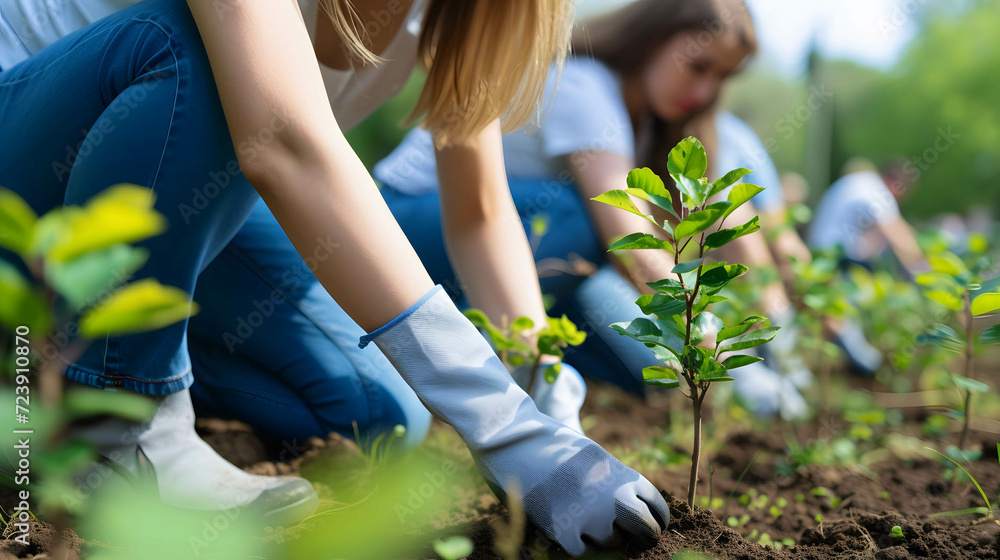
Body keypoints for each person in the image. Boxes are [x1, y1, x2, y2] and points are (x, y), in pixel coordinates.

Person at [0, 0, 670, 552]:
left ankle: (47, 368)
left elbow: (481, 212)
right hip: (25, 175)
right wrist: (497, 421)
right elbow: (283, 139)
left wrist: (536, 388)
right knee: (191, 52)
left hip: (161, 204)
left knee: (376, 414)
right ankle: (114, 429)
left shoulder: (457, 13)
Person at [375, 0, 811, 419]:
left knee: (653, 371)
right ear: (651, 39)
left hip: (532, 254)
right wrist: (709, 339)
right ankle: (480, 356)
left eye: (721, 77)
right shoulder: (585, 86)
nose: (704, 91)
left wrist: (775, 328)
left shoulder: (651, 126)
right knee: (577, 214)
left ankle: (545, 367)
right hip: (410, 226)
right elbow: (629, 242)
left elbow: (726, 215)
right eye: (698, 65)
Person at [808, 158, 929, 374]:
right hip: (833, 259)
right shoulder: (876, 191)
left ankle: (845, 365)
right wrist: (928, 274)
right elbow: (901, 239)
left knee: (829, 312)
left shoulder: (862, 183)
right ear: (895, 184)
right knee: (837, 316)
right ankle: (870, 367)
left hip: (823, 253)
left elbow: (896, 228)